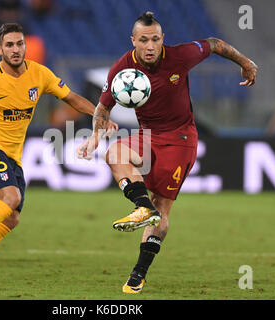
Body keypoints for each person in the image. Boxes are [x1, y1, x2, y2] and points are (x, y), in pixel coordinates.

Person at [77, 12, 257, 293]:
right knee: (114, 153)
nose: (150, 46)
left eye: (155, 39)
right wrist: (95, 137)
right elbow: (103, 107)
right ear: (133, 41)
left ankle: (139, 271)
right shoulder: (122, 70)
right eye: (144, 40)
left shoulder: (181, 56)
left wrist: (246, 63)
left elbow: (214, 43)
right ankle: (141, 207)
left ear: (163, 39)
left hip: (181, 139)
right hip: (147, 135)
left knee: (162, 208)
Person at [0, 23, 117, 283]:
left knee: (12, 219)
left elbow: (73, 98)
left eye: (19, 44)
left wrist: (101, 115)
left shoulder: (40, 74)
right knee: (10, 196)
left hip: (13, 157)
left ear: (25, 46)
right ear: (0, 50)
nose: (16, 49)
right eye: (9, 45)